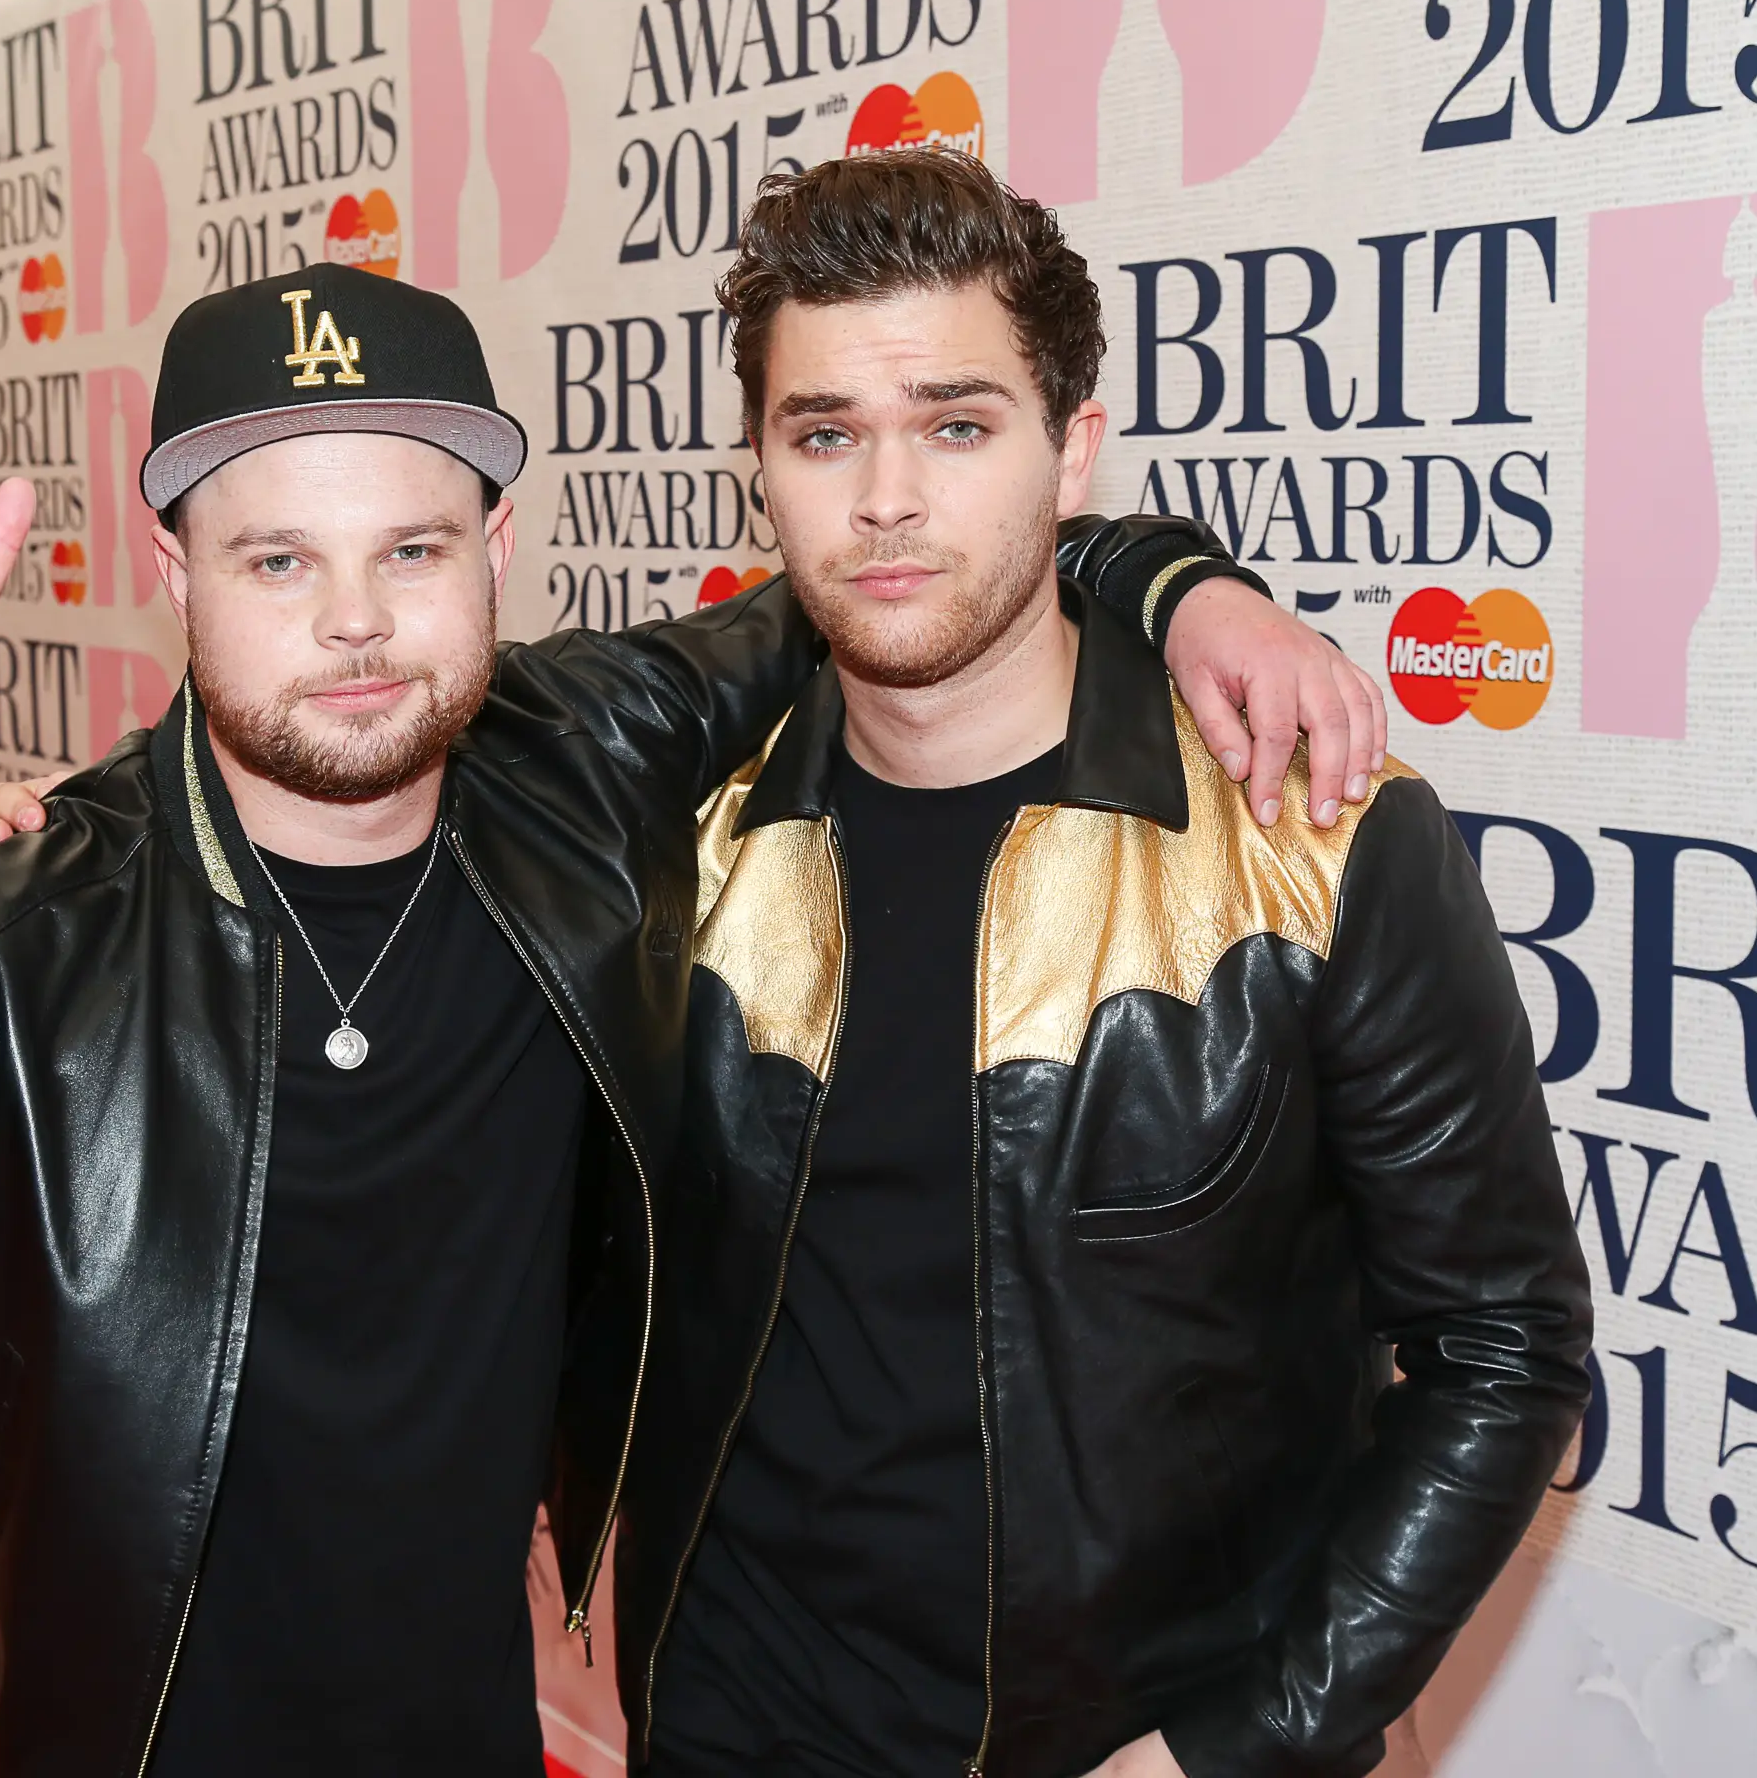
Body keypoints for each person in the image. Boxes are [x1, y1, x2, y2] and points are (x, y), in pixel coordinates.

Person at [0, 264, 1378, 1775]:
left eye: (411, 550)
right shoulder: (18, 918)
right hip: (116, 1738)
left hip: (476, 1729)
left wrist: (1179, 587)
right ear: (174, 573)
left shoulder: (586, 763)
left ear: (496, 542)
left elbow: (910, 565)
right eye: (278, 560)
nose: (355, 621)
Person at [621, 151, 1591, 1778]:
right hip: (732, 1722)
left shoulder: (1318, 846)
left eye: (957, 427)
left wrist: (1236, 1746)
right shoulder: (678, 846)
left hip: (1126, 1743)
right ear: (761, 471)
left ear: (1072, 451)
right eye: (824, 435)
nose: (886, 500)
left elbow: (1504, 1348)